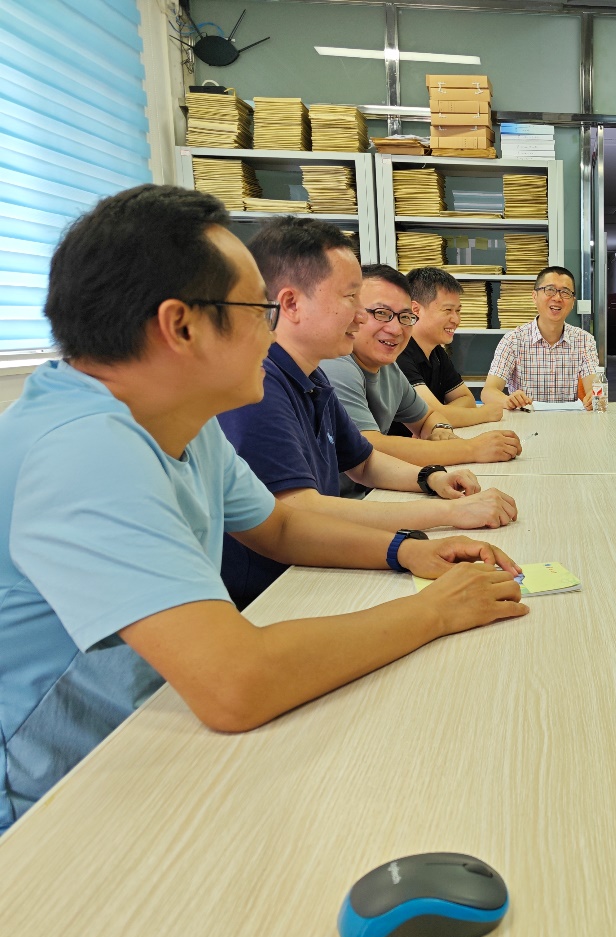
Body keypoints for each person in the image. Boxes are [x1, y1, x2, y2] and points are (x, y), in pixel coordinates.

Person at [0, 185, 527, 832]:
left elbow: (280, 525)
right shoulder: (84, 450)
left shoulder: (179, 418)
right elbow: (235, 683)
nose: (272, 329)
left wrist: (410, 551)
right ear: (180, 325)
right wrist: (434, 611)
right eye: (256, 308)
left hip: (156, 727)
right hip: (58, 795)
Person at [219, 217, 519, 608]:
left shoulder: (312, 375)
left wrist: (431, 477)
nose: (361, 317)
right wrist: (449, 513)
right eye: (351, 299)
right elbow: (296, 512)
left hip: (320, 566)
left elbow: (363, 461)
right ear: (291, 304)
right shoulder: (258, 383)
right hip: (272, 593)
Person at [322, 264, 521, 496]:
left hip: (377, 490)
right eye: (381, 313)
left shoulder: (389, 368)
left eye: (405, 317)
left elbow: (428, 416)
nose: (396, 329)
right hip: (342, 502)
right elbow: (369, 447)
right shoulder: (337, 364)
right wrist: (471, 448)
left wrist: (439, 430)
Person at [395, 267, 505, 428]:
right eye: (448, 310)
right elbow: (429, 415)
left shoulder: (437, 352)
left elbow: (467, 399)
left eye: (458, 311)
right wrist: (486, 413)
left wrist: (443, 413)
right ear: (415, 310)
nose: (456, 320)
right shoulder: (399, 353)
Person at [480, 266, 598, 409]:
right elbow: (488, 392)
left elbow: (594, 388)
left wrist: (594, 397)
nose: (557, 298)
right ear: (534, 296)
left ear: (573, 302)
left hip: (569, 420)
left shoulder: (585, 341)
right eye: (550, 290)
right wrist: (507, 401)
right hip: (525, 419)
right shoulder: (513, 340)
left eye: (565, 292)